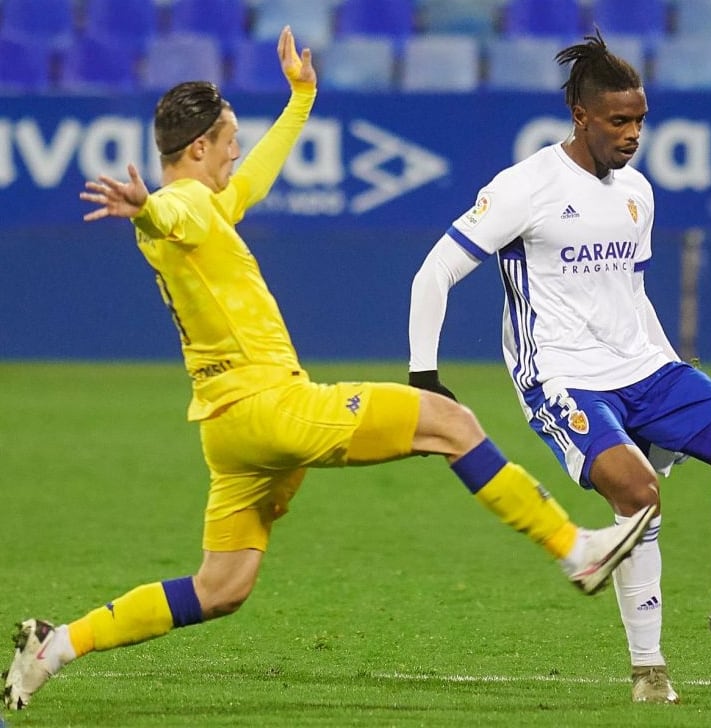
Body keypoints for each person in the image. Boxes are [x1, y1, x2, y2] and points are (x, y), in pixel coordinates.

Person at [2, 27, 653, 712]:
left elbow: (243, 185)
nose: (235, 157)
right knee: (449, 421)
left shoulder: (208, 205)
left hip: (227, 431)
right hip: (271, 409)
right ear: (198, 149)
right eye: (228, 144)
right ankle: (575, 550)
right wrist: (147, 209)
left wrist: (300, 101)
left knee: (221, 587)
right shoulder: (185, 207)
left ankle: (56, 645)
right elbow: (172, 216)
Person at [407, 30, 711, 704]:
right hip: (563, 376)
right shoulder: (525, 187)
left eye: (640, 121)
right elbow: (436, 272)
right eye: (619, 121)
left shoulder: (638, 194)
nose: (633, 134)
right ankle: (649, 670)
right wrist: (425, 378)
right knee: (639, 496)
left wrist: (669, 370)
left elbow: (629, 291)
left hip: (646, 367)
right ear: (581, 117)